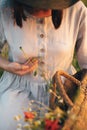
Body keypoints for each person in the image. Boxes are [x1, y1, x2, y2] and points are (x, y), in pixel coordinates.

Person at [0, 0, 87, 129]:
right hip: (18, 89)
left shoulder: (77, 10)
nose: (45, 9)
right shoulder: (4, 9)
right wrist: (7, 65)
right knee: (10, 124)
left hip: (64, 90)